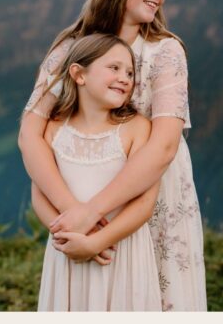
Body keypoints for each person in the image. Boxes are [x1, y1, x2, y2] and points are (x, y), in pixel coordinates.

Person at [18, 0, 206, 310]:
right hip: (81, 187)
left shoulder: (166, 51)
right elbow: (30, 134)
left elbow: (164, 146)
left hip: (152, 190)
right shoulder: (70, 49)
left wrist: (92, 213)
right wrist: (74, 213)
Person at [32, 34, 161, 311]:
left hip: (119, 251)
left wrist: (96, 242)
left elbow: (144, 204)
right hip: (67, 251)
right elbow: (40, 195)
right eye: (114, 68)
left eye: (130, 72)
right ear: (79, 74)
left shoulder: (138, 128)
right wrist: (70, 238)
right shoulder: (54, 129)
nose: (125, 78)